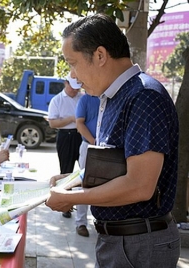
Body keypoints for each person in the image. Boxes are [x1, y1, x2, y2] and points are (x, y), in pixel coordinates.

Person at [45, 13, 180, 267]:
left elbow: (139, 185)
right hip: (119, 241)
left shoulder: (143, 96)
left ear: (99, 55)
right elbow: (113, 165)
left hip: (140, 243)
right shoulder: (113, 96)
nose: (73, 75)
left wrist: (71, 198)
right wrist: (73, 180)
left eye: (73, 63)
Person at [48, 73, 83, 218]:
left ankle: (82, 208)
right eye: (72, 87)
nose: (74, 91)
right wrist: (70, 119)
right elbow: (53, 123)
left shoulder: (82, 98)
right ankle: (65, 205)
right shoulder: (57, 100)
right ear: (65, 83)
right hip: (65, 136)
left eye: (77, 88)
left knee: (84, 172)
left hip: (81, 135)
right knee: (66, 171)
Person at [74, 93, 100, 237]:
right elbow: (79, 123)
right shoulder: (85, 99)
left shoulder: (111, 98)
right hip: (88, 146)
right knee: (84, 182)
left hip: (107, 147)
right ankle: (81, 222)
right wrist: (93, 141)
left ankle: (101, 220)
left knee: (103, 184)